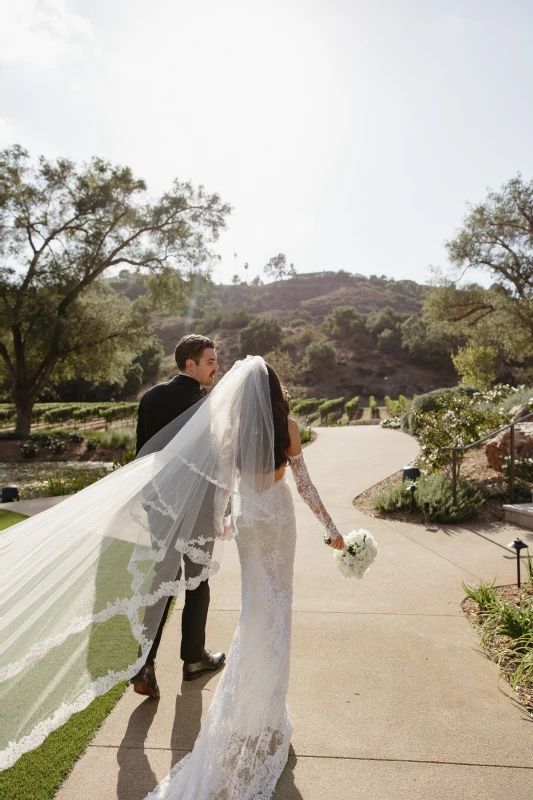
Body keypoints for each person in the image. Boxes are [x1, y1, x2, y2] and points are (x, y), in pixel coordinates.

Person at [142, 358, 344, 800]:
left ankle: (261, 709)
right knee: (277, 609)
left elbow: (221, 483)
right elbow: (305, 485)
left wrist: (220, 519)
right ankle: (269, 713)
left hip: (249, 521)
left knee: (256, 607)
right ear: (274, 388)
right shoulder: (287, 425)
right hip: (278, 519)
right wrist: (332, 529)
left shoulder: (231, 428)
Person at [131, 334, 225, 698]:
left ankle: (144, 664)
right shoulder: (208, 401)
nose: (216, 367)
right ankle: (193, 660)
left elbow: (143, 453)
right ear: (191, 365)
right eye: (210, 361)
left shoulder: (151, 397)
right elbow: (216, 457)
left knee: (163, 580)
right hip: (198, 504)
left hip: (160, 503)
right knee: (197, 581)